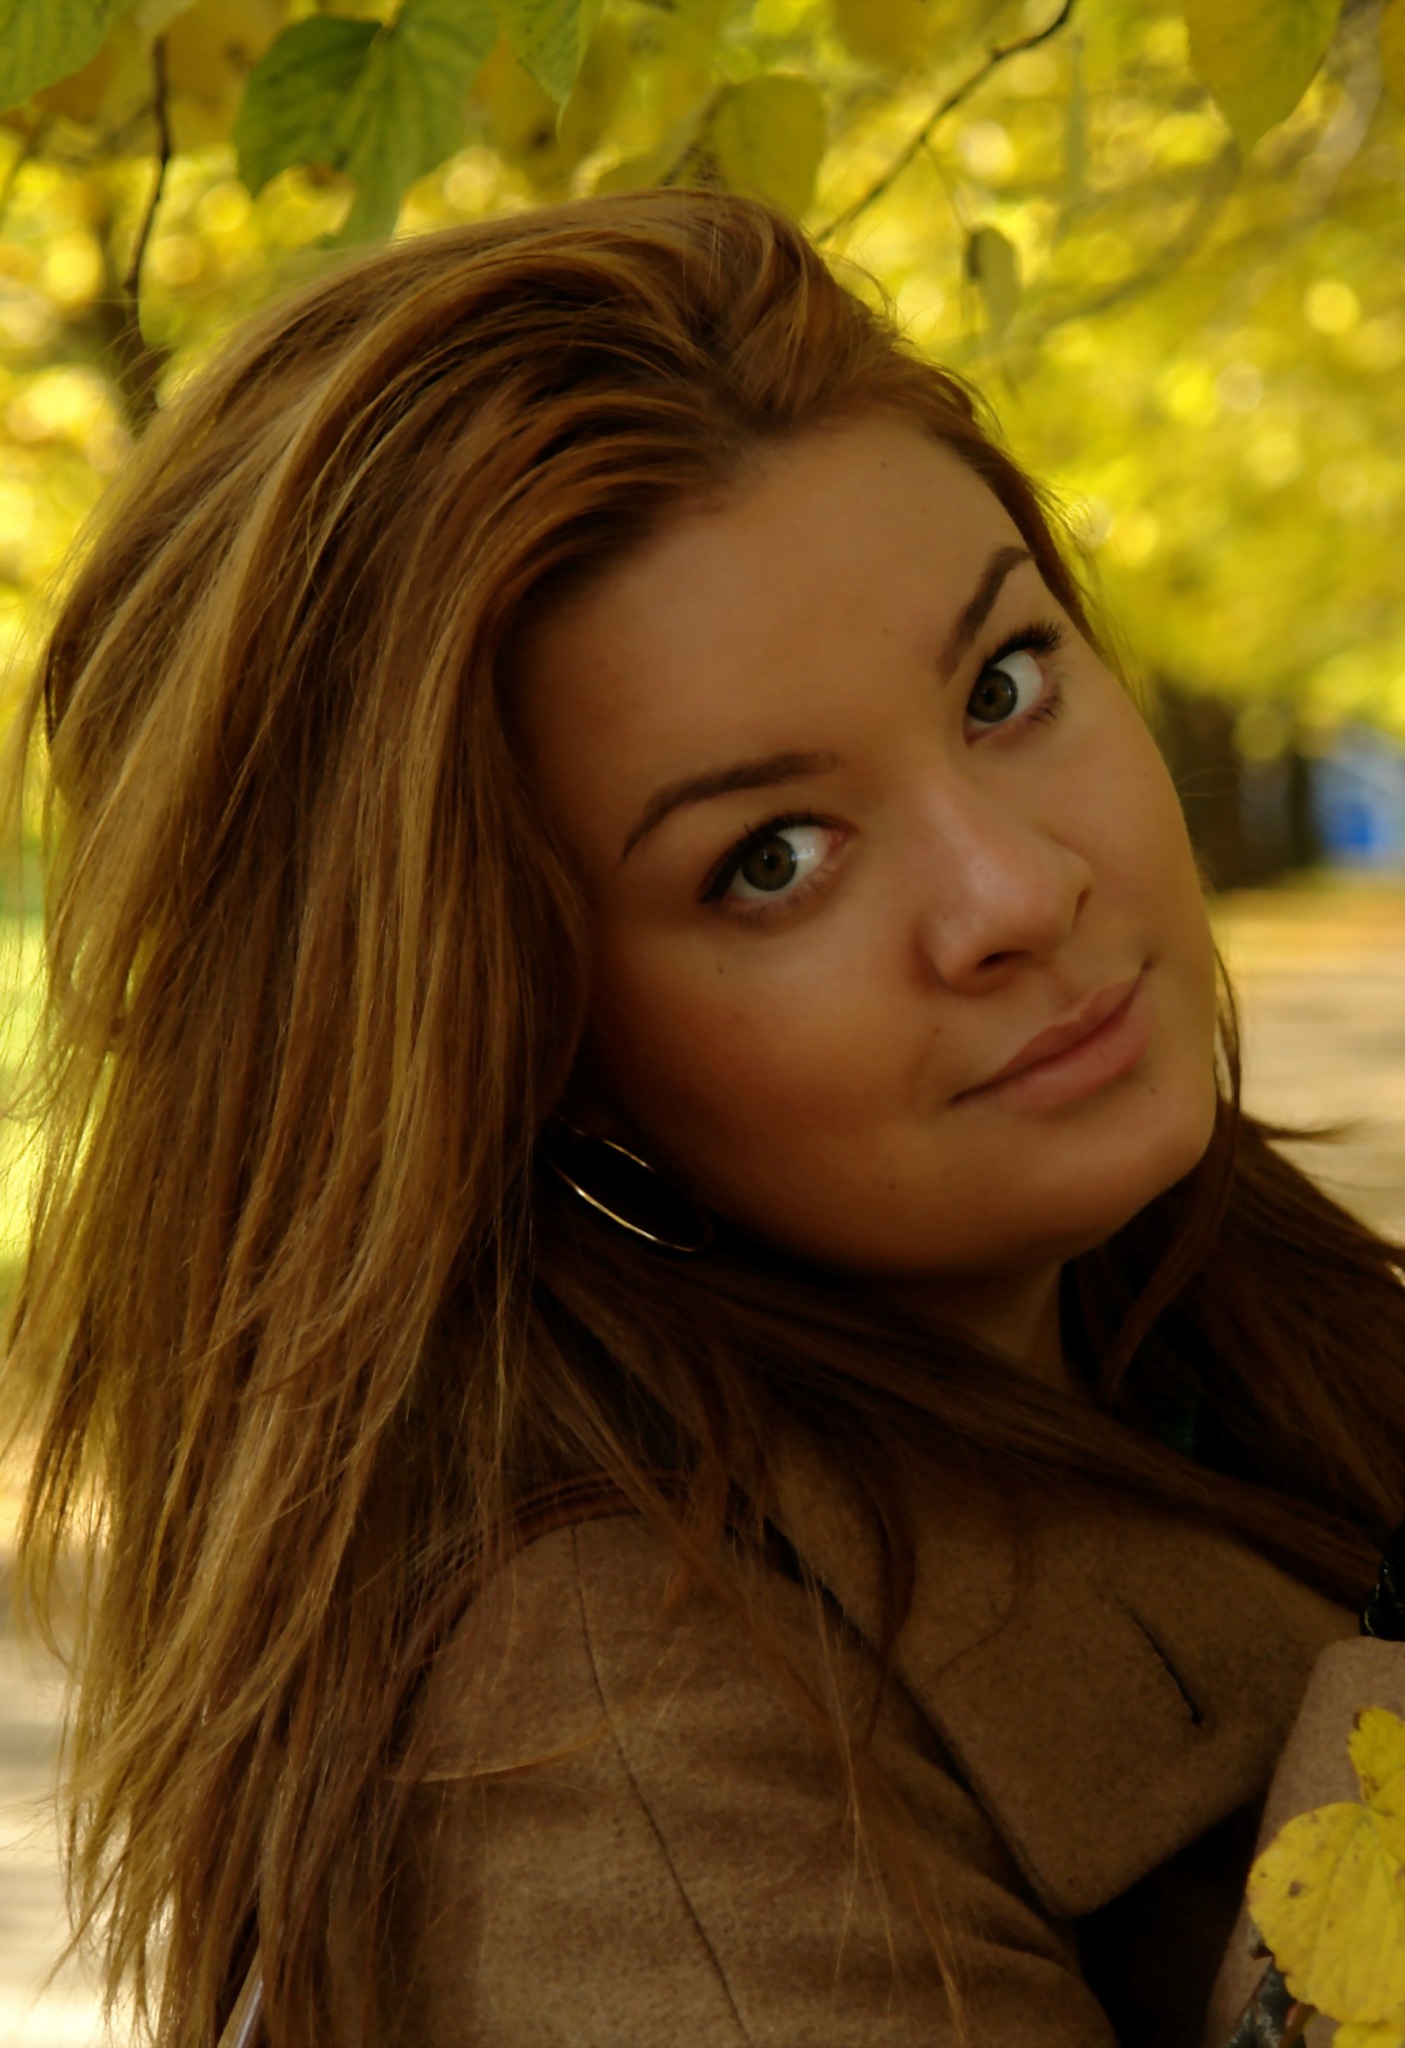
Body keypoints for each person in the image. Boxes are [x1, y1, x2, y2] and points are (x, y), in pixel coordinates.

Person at [5, 188, 1405, 2048]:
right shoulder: (617, 1736)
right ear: (519, 1042)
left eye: (1002, 686)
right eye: (772, 859)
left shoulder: (1220, 1322)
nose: (1016, 889)